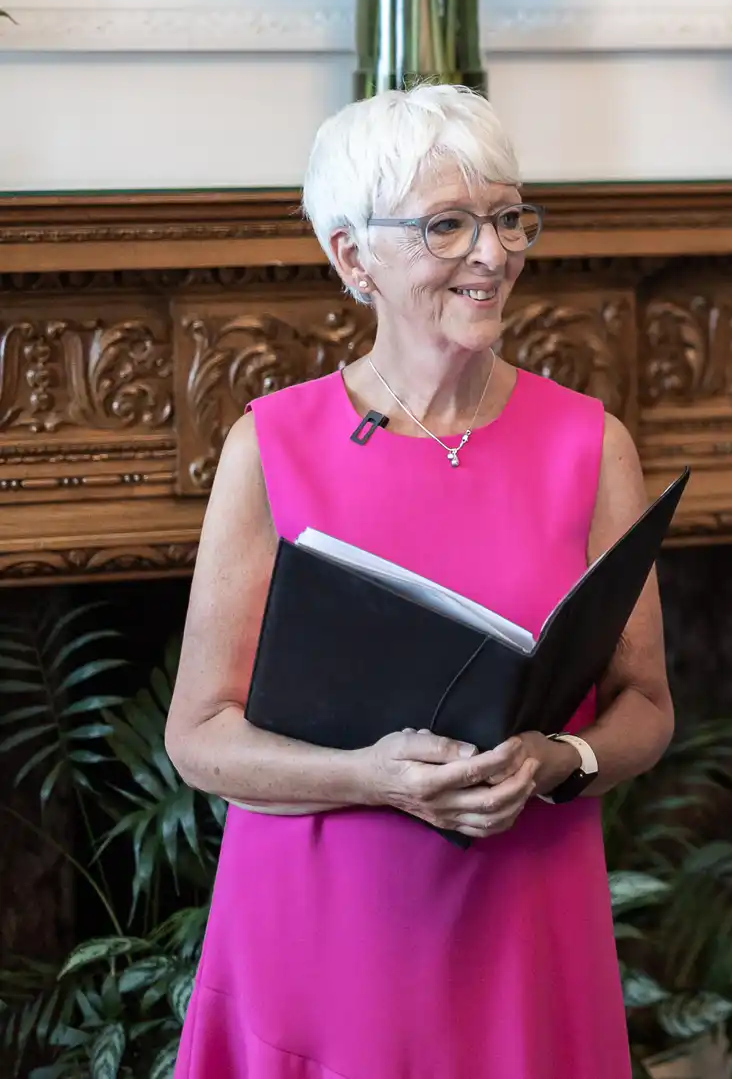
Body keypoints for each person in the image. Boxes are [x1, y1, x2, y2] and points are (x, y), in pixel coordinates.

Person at [164, 84, 676, 1078]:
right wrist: (377, 778)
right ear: (353, 257)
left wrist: (558, 756)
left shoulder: (591, 445)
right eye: (448, 224)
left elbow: (646, 706)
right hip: (317, 938)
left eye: (506, 217)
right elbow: (197, 738)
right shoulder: (269, 446)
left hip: (521, 935)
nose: (493, 255)